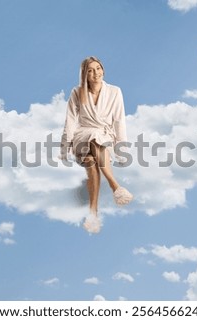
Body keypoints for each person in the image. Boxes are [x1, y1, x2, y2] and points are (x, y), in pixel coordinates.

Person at [61, 56, 133, 233]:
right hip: (82, 135)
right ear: (85, 75)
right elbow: (70, 121)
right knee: (92, 140)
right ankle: (115, 185)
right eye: (91, 70)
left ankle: (93, 214)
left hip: (104, 135)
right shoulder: (77, 93)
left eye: (98, 68)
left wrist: (121, 148)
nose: (96, 73)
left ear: (103, 69)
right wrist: (64, 148)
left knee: (93, 162)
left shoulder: (115, 91)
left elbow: (119, 120)